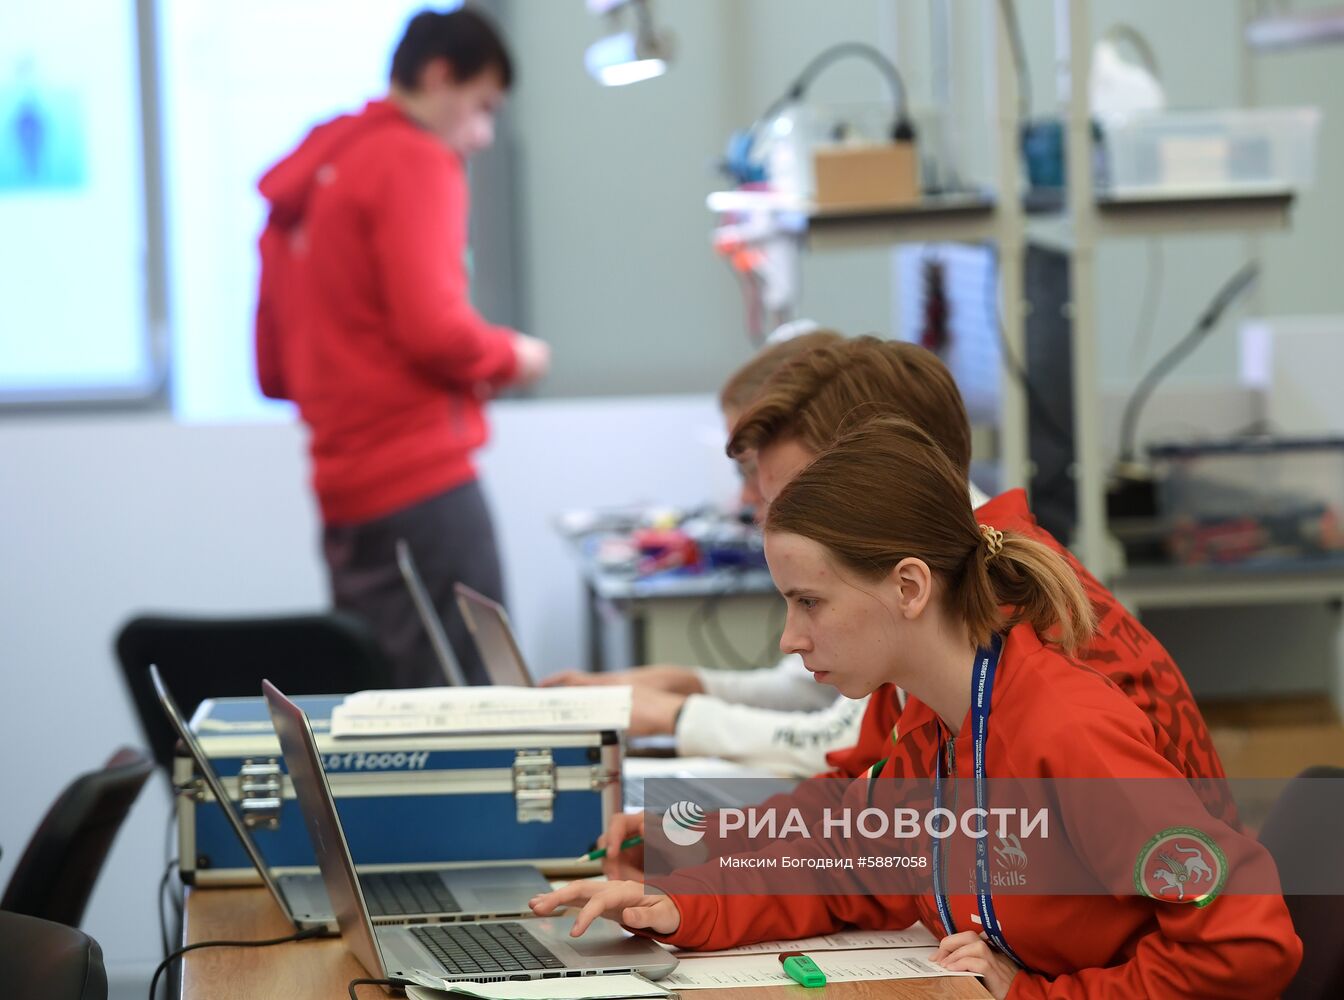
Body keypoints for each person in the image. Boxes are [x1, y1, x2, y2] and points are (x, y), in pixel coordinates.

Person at [531, 417, 1301, 999]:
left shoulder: (1067, 733)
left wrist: (1035, 997)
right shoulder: (935, 720)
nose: (791, 637)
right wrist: (675, 903)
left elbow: (1245, 943)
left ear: (908, 587)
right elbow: (845, 864)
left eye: (809, 603)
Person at [591, 335, 1233, 878]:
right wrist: (695, 851)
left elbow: (1211, 935)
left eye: (797, 495)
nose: (769, 518)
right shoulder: (953, 596)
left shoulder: (1022, 638)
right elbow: (866, 813)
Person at [254, 7, 549, 687]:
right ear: (440, 76)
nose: (481, 135)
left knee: (385, 717)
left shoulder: (314, 176)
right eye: (481, 106)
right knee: (482, 709)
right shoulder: (414, 159)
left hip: (344, 498)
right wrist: (517, 357)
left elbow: (271, 370)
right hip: (425, 488)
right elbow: (436, 329)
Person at [546, 329, 874, 776]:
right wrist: (685, 686)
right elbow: (811, 694)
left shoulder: (911, 558)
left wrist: (675, 715)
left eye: (755, 472)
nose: (747, 499)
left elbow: (841, 742)